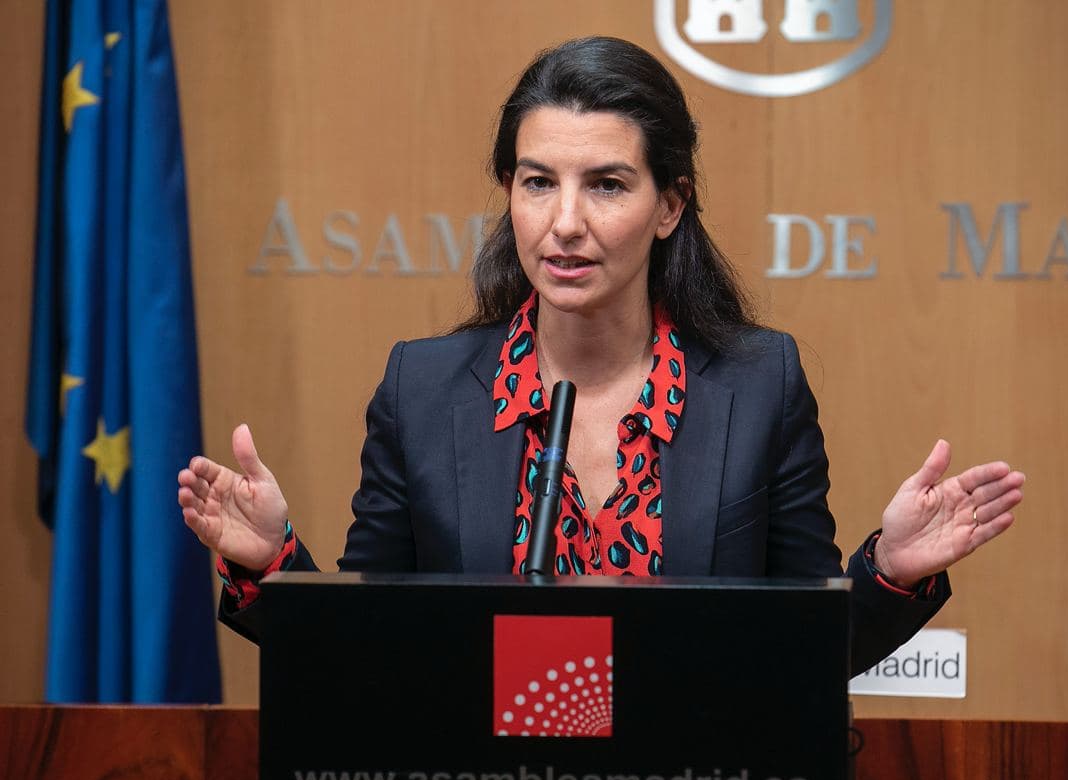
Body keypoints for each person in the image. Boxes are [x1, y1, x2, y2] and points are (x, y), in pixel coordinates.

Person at [177, 36, 1024, 676]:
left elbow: (803, 653)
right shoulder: (423, 389)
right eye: (538, 181)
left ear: (670, 205)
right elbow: (366, 652)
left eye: (607, 185)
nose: (565, 223)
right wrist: (271, 561)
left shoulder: (759, 385)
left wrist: (890, 572)